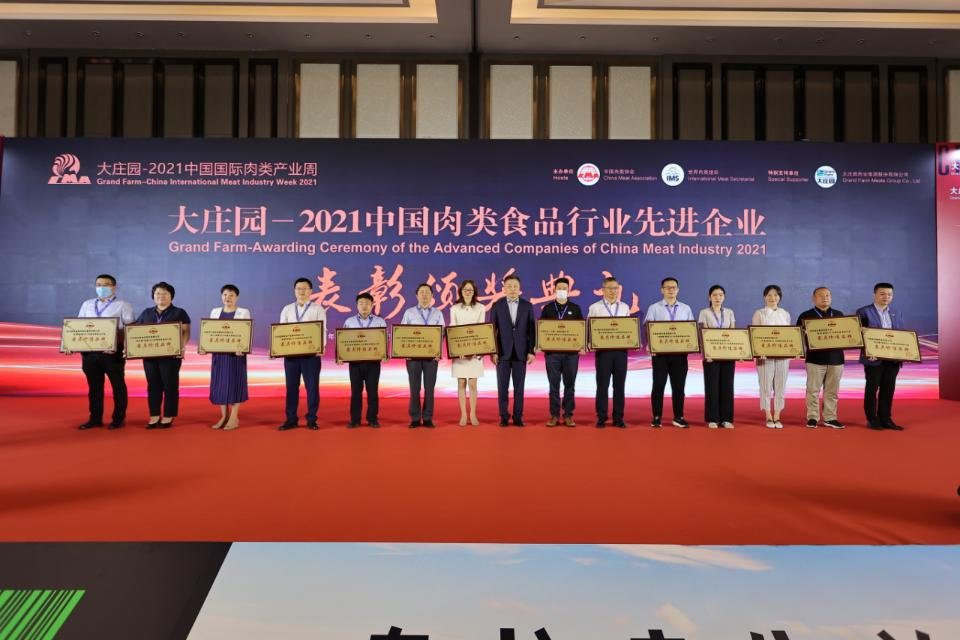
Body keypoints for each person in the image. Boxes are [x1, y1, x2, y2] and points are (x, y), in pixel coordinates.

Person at [70, 274, 135, 430]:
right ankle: (95, 418)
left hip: (112, 353)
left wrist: (116, 344)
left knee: (118, 386)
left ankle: (118, 419)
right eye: (99, 285)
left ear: (114, 287)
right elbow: (77, 326)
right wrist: (70, 344)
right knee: (94, 388)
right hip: (89, 354)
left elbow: (130, 329)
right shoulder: (87, 304)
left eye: (106, 285)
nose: (102, 288)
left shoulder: (123, 305)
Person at [135, 281, 191, 429]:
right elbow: (135, 332)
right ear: (153, 296)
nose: (161, 296)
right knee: (153, 385)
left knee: (170, 385)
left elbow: (186, 332)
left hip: (171, 356)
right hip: (150, 357)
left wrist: (182, 347)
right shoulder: (146, 313)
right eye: (158, 293)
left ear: (171, 296)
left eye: (165, 293)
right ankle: (154, 415)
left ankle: (168, 415)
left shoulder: (179, 312)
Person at [644, 277, 695, 428]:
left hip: (680, 355)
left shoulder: (686, 308)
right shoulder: (654, 308)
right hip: (660, 355)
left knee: (679, 387)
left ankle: (678, 417)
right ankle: (657, 417)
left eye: (673, 287)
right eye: (667, 287)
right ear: (662, 290)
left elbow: (690, 330)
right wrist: (651, 345)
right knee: (658, 386)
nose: (671, 290)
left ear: (678, 290)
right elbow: (648, 328)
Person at [278, 277, 327, 431]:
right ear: (294, 291)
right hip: (291, 356)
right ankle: (291, 419)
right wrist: (277, 348)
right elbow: (281, 331)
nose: (301, 291)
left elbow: (322, 329)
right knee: (291, 388)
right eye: (298, 288)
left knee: (312, 388)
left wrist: (321, 347)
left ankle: (312, 419)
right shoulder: (287, 309)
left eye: (304, 288)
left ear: (311, 291)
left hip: (311, 356)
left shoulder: (318, 309)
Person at [857, 282, 906, 430]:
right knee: (872, 389)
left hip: (892, 359)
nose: (886, 297)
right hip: (874, 358)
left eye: (889, 294)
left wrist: (904, 352)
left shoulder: (897, 312)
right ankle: (872, 419)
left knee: (888, 389)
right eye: (882, 294)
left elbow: (900, 335)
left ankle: (886, 419)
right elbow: (859, 335)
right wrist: (868, 351)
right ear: (875, 295)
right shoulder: (864, 312)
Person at [201, 284, 249, 431]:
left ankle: (234, 416)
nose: (228, 297)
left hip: (236, 355)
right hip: (219, 355)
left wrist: (243, 348)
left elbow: (246, 333)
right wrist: (204, 347)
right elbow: (210, 332)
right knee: (220, 385)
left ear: (237, 297)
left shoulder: (243, 312)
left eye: (231, 295)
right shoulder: (215, 311)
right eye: (225, 295)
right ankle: (223, 416)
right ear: (221, 296)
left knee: (235, 383)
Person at [796, 287, 846, 429]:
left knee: (832, 391)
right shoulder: (805, 316)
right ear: (814, 298)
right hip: (815, 359)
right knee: (812, 390)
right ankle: (812, 417)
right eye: (821, 295)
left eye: (828, 295)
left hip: (836, 359)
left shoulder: (839, 315)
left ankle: (830, 418)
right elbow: (797, 337)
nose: (825, 298)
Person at [490, 274, 536, 427]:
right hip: (503, 352)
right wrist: (493, 351)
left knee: (519, 388)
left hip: (521, 352)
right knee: (502, 387)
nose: (512, 289)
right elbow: (492, 330)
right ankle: (503, 416)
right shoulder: (497, 305)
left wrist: (531, 351)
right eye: (509, 286)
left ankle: (518, 417)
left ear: (520, 288)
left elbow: (532, 331)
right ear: (504, 288)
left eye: (515, 286)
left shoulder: (527, 306)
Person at [587, 275, 633, 428]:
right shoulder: (595, 308)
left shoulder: (625, 307)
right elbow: (589, 329)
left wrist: (633, 340)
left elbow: (629, 328)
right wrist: (589, 343)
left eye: (616, 288)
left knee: (619, 386)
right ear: (603, 290)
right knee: (602, 385)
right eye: (610, 288)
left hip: (620, 352)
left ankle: (618, 417)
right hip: (603, 352)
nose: (613, 291)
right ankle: (601, 417)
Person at [539, 277, 584, 427]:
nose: (562, 291)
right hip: (552, 354)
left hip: (571, 354)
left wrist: (581, 345)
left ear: (568, 290)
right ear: (554, 290)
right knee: (554, 385)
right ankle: (554, 415)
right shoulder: (547, 308)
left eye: (564, 288)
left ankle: (568, 415)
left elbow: (581, 329)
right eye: (559, 288)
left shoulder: (575, 308)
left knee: (570, 385)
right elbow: (542, 329)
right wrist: (540, 344)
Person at [400, 283, 445, 428]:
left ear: (432, 296)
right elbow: (402, 333)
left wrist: (438, 352)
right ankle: (414, 418)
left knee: (429, 388)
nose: (424, 295)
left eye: (427, 292)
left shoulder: (438, 313)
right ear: (416, 295)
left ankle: (427, 418)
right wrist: (405, 352)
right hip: (413, 357)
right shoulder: (409, 313)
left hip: (431, 357)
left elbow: (442, 334)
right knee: (414, 388)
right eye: (421, 292)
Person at [341, 292, 386, 428]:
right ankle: (355, 420)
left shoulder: (380, 321)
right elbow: (343, 340)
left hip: (373, 363)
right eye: (361, 303)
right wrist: (340, 356)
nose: (364, 306)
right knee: (356, 391)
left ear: (372, 305)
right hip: (355, 363)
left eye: (367, 303)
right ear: (356, 305)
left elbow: (383, 341)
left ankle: (372, 419)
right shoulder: (349, 322)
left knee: (373, 392)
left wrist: (384, 354)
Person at [751, 284, 790, 429]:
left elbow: (789, 336)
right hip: (764, 356)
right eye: (769, 295)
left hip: (783, 356)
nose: (772, 298)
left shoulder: (785, 314)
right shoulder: (759, 313)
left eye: (775, 295)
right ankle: (768, 415)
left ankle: (777, 415)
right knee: (765, 386)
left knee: (780, 386)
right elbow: (755, 335)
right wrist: (759, 351)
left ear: (779, 297)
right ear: (764, 297)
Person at [697, 284, 736, 429]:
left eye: (720, 295)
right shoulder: (704, 312)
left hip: (727, 355)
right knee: (712, 387)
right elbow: (703, 334)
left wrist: (736, 353)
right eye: (714, 295)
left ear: (724, 297)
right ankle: (712, 418)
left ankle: (726, 418)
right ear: (709, 297)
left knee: (727, 387)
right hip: (711, 356)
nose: (717, 297)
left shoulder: (730, 312)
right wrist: (706, 354)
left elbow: (733, 333)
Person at [449, 279, 485, 427]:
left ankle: (473, 414)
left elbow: (482, 329)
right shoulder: (454, 308)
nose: (468, 292)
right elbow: (453, 328)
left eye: (470, 289)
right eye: (465, 290)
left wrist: (477, 349)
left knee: (473, 383)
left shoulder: (481, 307)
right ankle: (463, 414)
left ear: (474, 291)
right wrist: (458, 350)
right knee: (461, 382)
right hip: (460, 351)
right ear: (461, 292)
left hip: (475, 350)